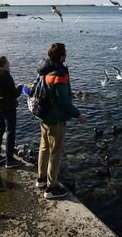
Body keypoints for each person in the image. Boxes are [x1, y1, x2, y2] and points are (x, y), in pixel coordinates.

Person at [36, 43, 86, 199]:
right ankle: (51, 189)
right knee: (55, 153)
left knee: (44, 148)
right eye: (65, 53)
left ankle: (41, 179)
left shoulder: (44, 70)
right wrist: (78, 115)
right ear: (62, 56)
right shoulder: (59, 75)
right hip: (56, 119)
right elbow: (64, 102)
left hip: (44, 116)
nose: (66, 55)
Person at [0, 56, 22, 168]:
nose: (9, 64)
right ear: (4, 64)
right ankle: (10, 160)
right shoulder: (5, 76)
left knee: (0, 129)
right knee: (11, 132)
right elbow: (14, 93)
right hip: (8, 106)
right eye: (8, 62)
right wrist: (20, 88)